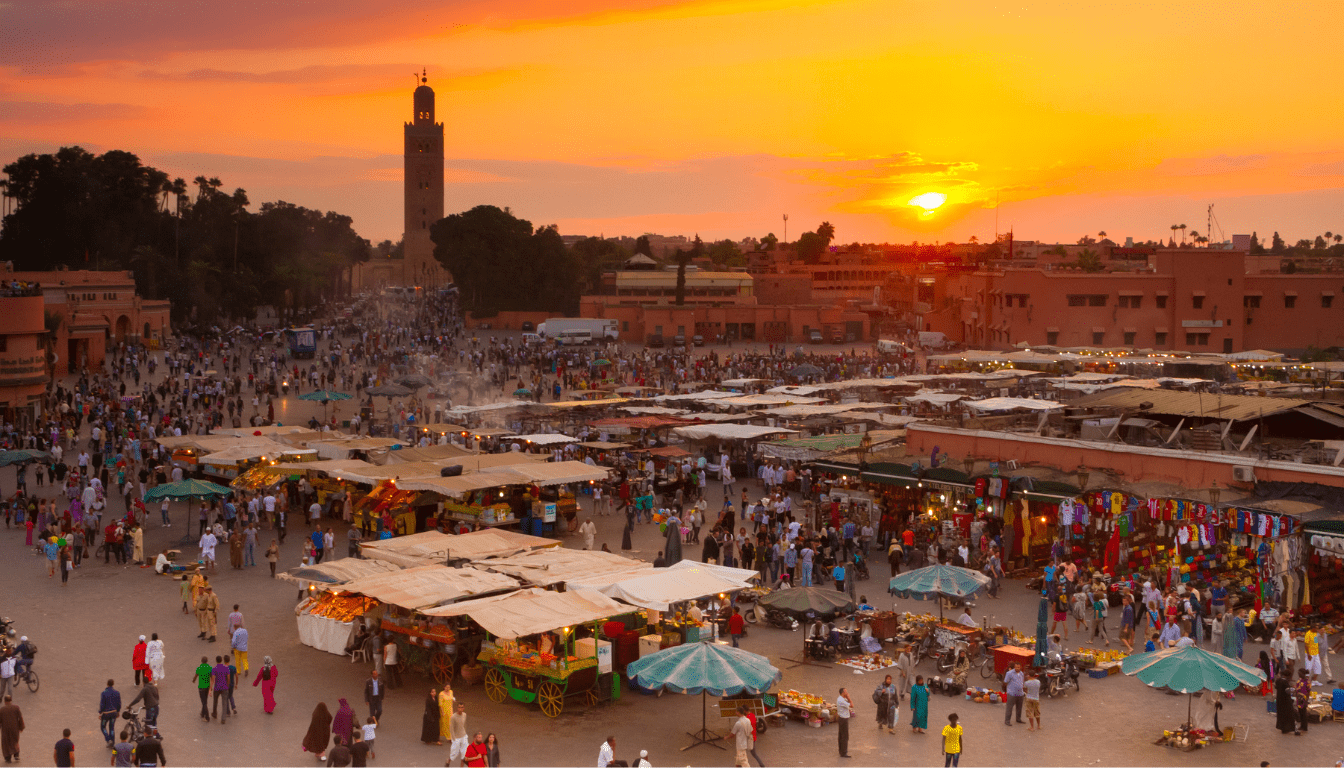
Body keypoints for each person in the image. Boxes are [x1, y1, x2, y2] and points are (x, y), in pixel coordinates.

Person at [0, 695, 23, 763]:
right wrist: (21, 727)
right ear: (11, 700)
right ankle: (16, 754)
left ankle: (7, 756)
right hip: (15, 728)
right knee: (15, 741)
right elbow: (20, 718)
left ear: (5, 701)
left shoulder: (1, 710)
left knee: (6, 743)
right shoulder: (16, 708)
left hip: (5, 729)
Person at [99, 679, 121, 747]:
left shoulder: (104, 693)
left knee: (103, 727)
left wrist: (100, 712)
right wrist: (118, 711)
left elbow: (102, 704)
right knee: (111, 727)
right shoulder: (117, 693)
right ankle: (112, 741)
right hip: (114, 713)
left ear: (107, 684)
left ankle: (108, 739)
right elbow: (119, 704)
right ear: (113, 684)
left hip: (106, 713)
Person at [210, 655, 230, 723]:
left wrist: (210, 689)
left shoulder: (214, 669)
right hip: (224, 687)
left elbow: (212, 680)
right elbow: (228, 678)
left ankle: (214, 713)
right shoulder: (226, 668)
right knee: (224, 702)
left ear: (216, 661)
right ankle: (223, 718)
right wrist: (227, 685)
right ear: (221, 660)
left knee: (215, 701)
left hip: (217, 687)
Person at [448, 702, 468, 766]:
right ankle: (448, 761)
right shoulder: (453, 717)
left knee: (464, 754)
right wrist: (454, 739)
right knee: (454, 753)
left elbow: (464, 725)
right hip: (456, 737)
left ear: (463, 708)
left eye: (462, 707)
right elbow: (451, 728)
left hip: (463, 736)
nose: (460, 709)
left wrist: (465, 733)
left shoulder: (464, 715)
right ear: (457, 708)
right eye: (459, 707)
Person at [835, 687, 853, 758]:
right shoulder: (841, 700)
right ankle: (844, 752)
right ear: (843, 693)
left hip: (841, 718)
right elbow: (852, 705)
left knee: (841, 735)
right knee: (845, 736)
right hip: (843, 719)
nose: (847, 693)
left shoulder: (841, 699)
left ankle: (841, 751)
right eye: (846, 692)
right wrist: (849, 698)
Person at [194, 657, 212, 722]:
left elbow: (196, 676)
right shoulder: (210, 668)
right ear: (207, 661)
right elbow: (211, 676)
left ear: (201, 661)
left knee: (204, 702)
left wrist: (193, 680)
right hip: (207, 686)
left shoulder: (199, 668)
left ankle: (207, 717)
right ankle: (202, 713)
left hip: (201, 687)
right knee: (205, 700)